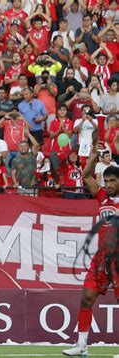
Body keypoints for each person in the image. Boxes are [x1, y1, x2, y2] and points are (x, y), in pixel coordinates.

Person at [62, 139, 119, 356]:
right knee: (86, 296)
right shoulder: (102, 195)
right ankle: (82, 345)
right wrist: (95, 155)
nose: (109, 185)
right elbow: (86, 176)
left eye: (113, 181)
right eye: (106, 181)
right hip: (101, 257)